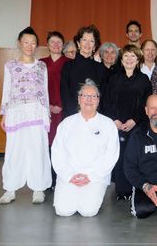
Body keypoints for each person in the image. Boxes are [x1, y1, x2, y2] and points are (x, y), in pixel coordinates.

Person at [0, 26, 52, 204]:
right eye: (26, 42)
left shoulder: (41, 66)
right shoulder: (11, 66)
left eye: (33, 43)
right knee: (14, 151)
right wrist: (4, 114)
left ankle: (38, 188)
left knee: (38, 150)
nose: (30, 46)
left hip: (36, 112)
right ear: (19, 43)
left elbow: (44, 91)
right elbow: (6, 90)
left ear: (37, 45)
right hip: (16, 113)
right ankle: (10, 188)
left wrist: (47, 115)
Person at [51, 79, 119, 217]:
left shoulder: (108, 124)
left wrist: (92, 176)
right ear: (78, 99)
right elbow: (57, 153)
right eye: (85, 96)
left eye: (93, 96)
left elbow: (111, 155)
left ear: (98, 100)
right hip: (69, 175)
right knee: (63, 211)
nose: (89, 99)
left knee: (88, 211)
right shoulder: (67, 123)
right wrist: (69, 176)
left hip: (96, 176)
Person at [103, 44, 152, 200]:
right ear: (121, 59)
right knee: (119, 156)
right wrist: (115, 120)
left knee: (135, 157)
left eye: (133, 56)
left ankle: (135, 189)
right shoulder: (113, 78)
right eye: (126, 56)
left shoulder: (143, 79)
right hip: (116, 124)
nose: (129, 59)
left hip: (137, 124)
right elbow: (106, 101)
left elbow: (147, 103)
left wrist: (134, 120)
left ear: (138, 60)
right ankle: (121, 190)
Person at [40, 31, 70, 188]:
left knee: (62, 144)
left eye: (59, 42)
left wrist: (61, 105)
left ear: (63, 45)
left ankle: (61, 178)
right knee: (46, 144)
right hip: (45, 110)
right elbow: (37, 89)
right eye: (52, 42)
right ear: (47, 45)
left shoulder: (69, 63)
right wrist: (48, 106)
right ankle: (47, 179)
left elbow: (71, 89)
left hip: (64, 110)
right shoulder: (40, 63)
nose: (56, 45)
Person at [60, 25, 108, 118]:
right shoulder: (68, 66)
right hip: (72, 116)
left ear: (95, 46)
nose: (87, 44)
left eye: (91, 41)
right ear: (78, 43)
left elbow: (103, 97)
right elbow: (65, 94)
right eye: (84, 40)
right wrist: (78, 114)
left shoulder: (101, 68)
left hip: (95, 116)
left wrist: (92, 114)